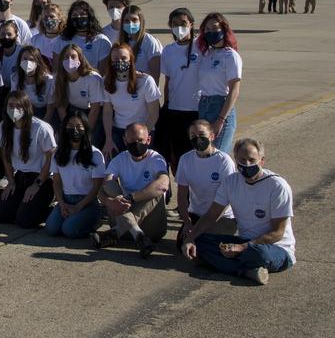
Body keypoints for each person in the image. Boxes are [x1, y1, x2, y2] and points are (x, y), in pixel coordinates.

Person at [182, 138, 295, 285]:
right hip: (243, 241)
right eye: (242, 159)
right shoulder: (230, 182)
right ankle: (248, 270)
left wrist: (243, 247)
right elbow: (211, 216)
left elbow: (278, 233)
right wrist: (191, 238)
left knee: (260, 254)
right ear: (236, 160)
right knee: (198, 242)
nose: (247, 164)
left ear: (261, 161)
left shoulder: (277, 186)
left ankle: (235, 266)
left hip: (275, 248)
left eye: (251, 160)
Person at [92, 122, 169, 257]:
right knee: (108, 185)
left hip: (152, 226)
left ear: (148, 140)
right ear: (125, 140)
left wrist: (131, 197)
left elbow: (164, 183)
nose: (136, 144)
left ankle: (118, 231)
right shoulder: (120, 159)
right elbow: (105, 184)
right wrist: (109, 202)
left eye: (140, 140)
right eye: (132, 141)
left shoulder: (156, 158)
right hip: (124, 217)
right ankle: (138, 235)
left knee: (157, 189)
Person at [0, 91, 57, 227]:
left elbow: (50, 157)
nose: (14, 109)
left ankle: (53, 209)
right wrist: (10, 181)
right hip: (21, 177)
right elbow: (5, 156)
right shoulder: (3, 127)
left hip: (42, 179)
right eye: (11, 105)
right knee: (3, 216)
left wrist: (37, 184)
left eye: (19, 106)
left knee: (24, 221)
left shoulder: (40, 127)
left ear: (27, 108)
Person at [44, 114, 106, 239]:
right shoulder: (58, 153)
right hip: (66, 200)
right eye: (70, 126)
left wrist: (79, 206)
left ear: (86, 129)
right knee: (51, 229)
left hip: (87, 202)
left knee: (69, 230)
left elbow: (97, 186)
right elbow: (56, 182)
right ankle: (74, 220)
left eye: (79, 126)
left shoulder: (95, 154)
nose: (75, 130)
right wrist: (61, 204)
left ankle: (92, 222)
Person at [174, 120, 235, 246]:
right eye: (193, 136)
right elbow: (181, 195)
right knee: (183, 244)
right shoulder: (186, 159)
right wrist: (187, 222)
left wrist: (206, 225)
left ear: (211, 136)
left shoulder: (224, 161)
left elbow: (227, 198)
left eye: (202, 135)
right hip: (197, 214)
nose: (198, 139)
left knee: (205, 245)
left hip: (221, 216)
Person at [156, 7, 201, 171]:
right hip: (175, 110)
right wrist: (167, 104)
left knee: (197, 155)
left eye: (183, 23)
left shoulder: (201, 47)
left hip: (196, 110)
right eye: (174, 24)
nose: (179, 28)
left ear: (191, 24)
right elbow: (168, 81)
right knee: (178, 156)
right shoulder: (168, 51)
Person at [100, 43, 161, 159]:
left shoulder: (146, 81)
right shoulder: (106, 82)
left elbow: (154, 113)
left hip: (143, 132)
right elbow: (107, 112)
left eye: (124, 58)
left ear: (131, 60)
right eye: (115, 59)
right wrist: (108, 139)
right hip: (119, 132)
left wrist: (143, 136)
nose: (120, 62)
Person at [195, 12, 243, 151]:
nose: (211, 32)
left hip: (221, 106)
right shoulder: (206, 54)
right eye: (207, 29)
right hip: (204, 105)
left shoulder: (230, 56)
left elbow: (234, 90)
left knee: (219, 153)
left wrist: (220, 120)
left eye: (215, 28)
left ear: (224, 30)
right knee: (205, 153)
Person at [49, 44, 104, 140]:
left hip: (91, 113)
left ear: (80, 59)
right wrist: (68, 127)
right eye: (66, 57)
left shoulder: (92, 78)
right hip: (72, 111)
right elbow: (60, 106)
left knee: (91, 142)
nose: (69, 60)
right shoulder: (57, 78)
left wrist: (86, 133)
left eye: (73, 57)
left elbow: (95, 109)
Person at [114, 5, 163, 79]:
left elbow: (155, 74)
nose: (130, 23)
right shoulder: (121, 40)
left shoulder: (149, 41)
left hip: (144, 87)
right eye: (126, 20)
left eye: (134, 20)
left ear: (141, 21)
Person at [61, 0, 111, 70]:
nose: (78, 17)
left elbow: (103, 70)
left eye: (82, 14)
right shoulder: (63, 39)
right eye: (75, 15)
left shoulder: (101, 40)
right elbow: (57, 68)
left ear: (89, 16)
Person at [13, 45, 54, 119]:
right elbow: (14, 102)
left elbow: (50, 110)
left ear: (38, 62)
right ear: (20, 61)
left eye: (31, 60)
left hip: (43, 113)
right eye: (25, 59)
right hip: (24, 112)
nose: (28, 62)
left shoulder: (49, 80)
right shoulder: (15, 77)